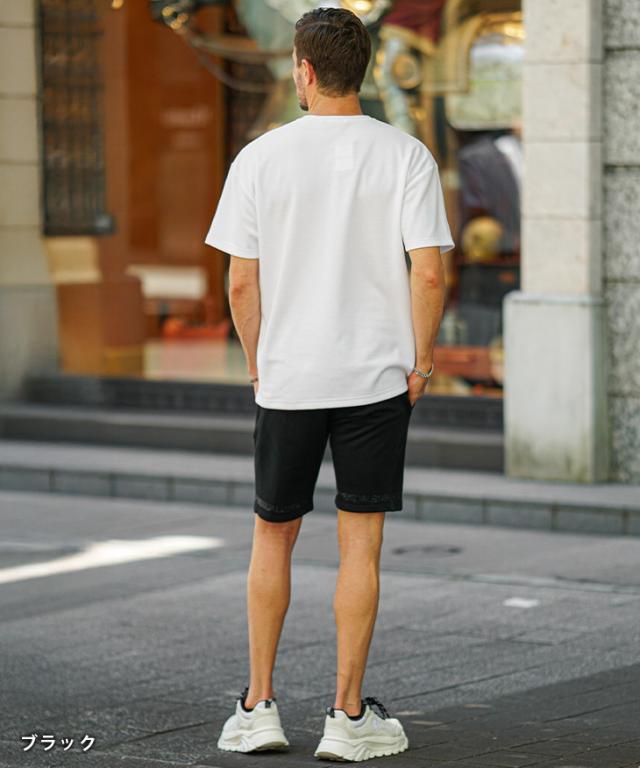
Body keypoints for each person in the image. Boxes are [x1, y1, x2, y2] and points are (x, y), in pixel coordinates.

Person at [203, 7, 453, 762]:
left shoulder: (259, 158)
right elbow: (429, 273)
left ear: (304, 71)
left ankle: (259, 706)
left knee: (272, 535)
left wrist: (260, 362)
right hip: (376, 377)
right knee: (360, 544)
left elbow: (240, 283)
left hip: (289, 378)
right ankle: (347, 717)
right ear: (363, 70)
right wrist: (421, 361)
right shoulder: (406, 155)